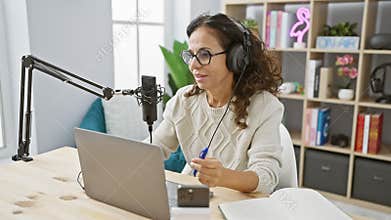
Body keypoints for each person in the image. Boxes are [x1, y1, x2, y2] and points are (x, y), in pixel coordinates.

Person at [152, 13, 284, 194]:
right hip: (192, 196)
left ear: (236, 58)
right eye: (191, 56)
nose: (193, 65)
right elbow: (154, 149)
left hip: (238, 204)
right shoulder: (184, 99)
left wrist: (223, 177)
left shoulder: (265, 106)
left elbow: (267, 177)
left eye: (204, 54)